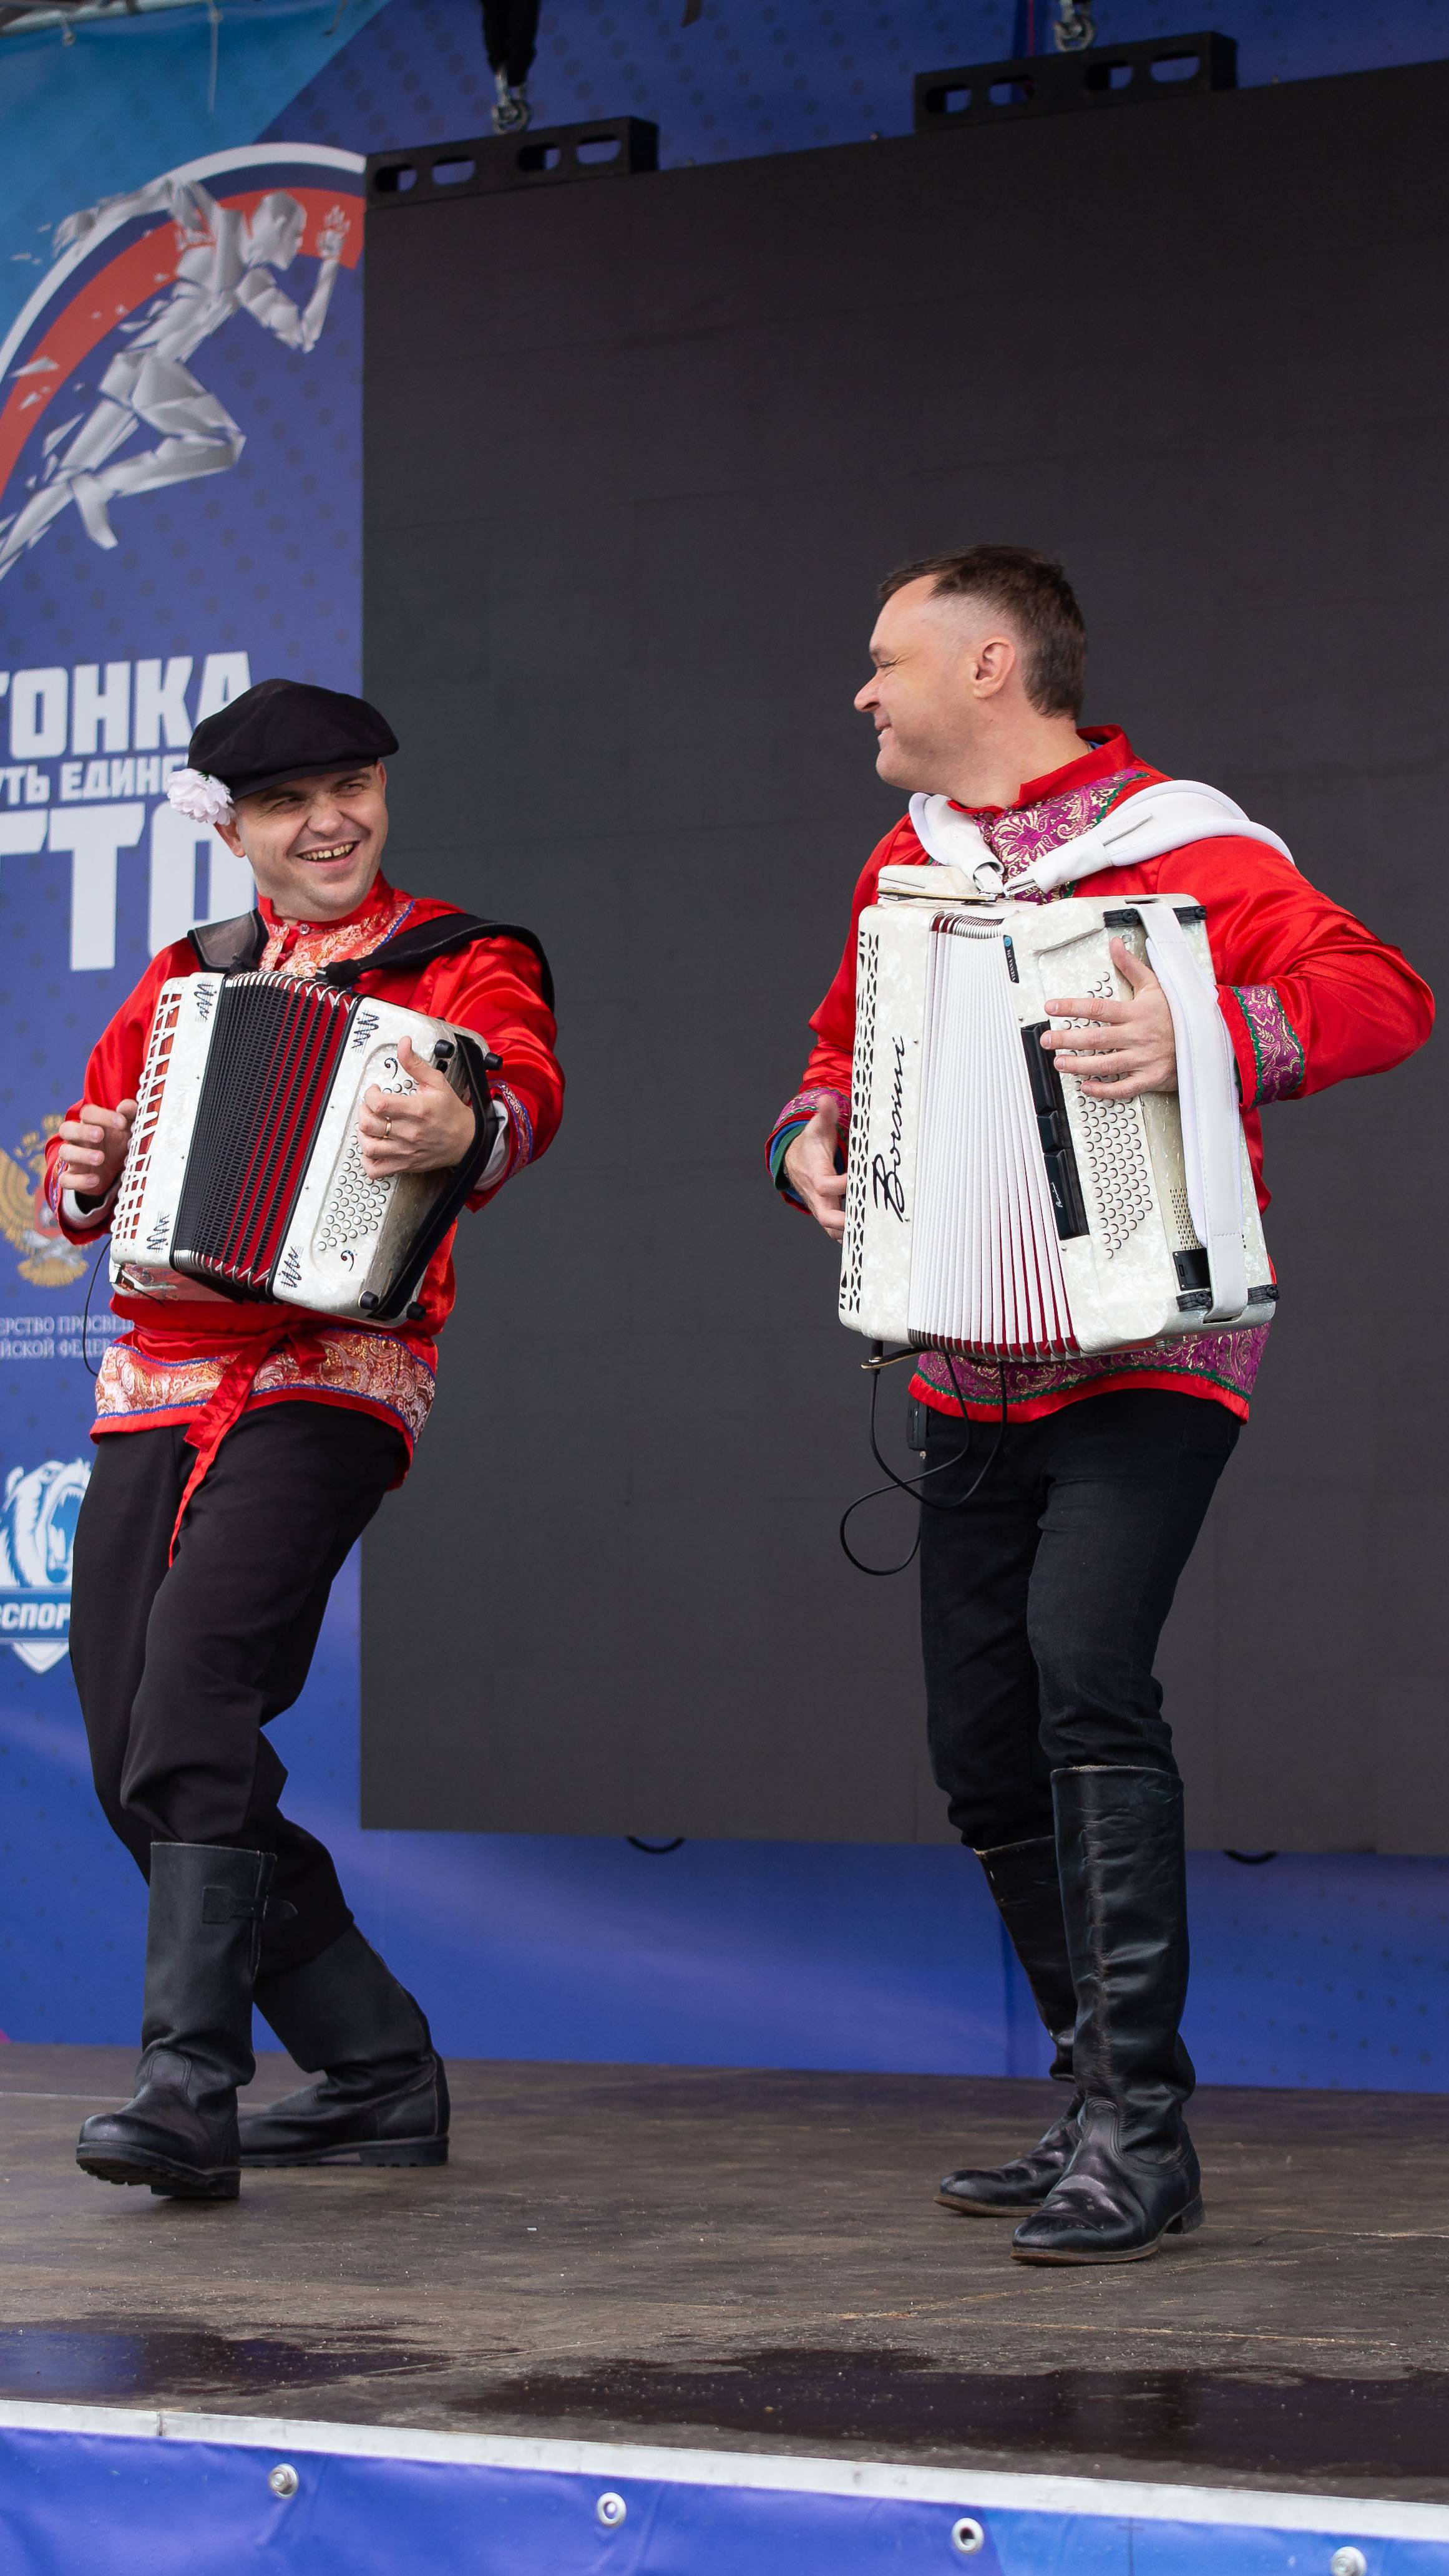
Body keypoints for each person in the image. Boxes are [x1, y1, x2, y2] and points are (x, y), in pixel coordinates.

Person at [767, 547, 1432, 2265]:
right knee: (979, 1744)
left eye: (888, 656)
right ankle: (1098, 2087)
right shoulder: (906, 862)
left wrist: (1203, 1030)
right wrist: (809, 1136)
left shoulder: (1181, 840)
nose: (863, 689)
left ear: (992, 665)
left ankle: (1141, 2130)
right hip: (965, 1353)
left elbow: (1384, 994)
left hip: (1149, 1340)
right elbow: (838, 1048)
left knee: (1083, 1677)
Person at [46, 677, 562, 2202]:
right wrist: (90, 1166)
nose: (331, 821)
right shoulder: (187, 974)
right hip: (163, 1373)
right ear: (235, 831)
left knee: (197, 1688)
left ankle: (188, 2086)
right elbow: (85, 1170)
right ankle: (376, 2063)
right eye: (288, 803)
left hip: (336, 1366)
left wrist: (469, 1129)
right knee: (130, 1752)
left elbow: (521, 1088)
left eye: (354, 788)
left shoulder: (464, 956)